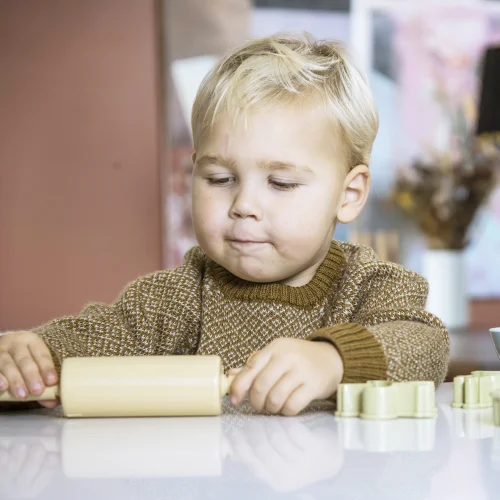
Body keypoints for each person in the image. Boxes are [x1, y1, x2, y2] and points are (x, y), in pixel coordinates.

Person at [0, 33, 449, 416]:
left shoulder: (371, 287)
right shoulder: (176, 298)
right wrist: (32, 354)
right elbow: (94, 338)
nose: (244, 205)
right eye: (220, 179)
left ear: (348, 195)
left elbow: (425, 347)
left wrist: (332, 360)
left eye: (281, 182)